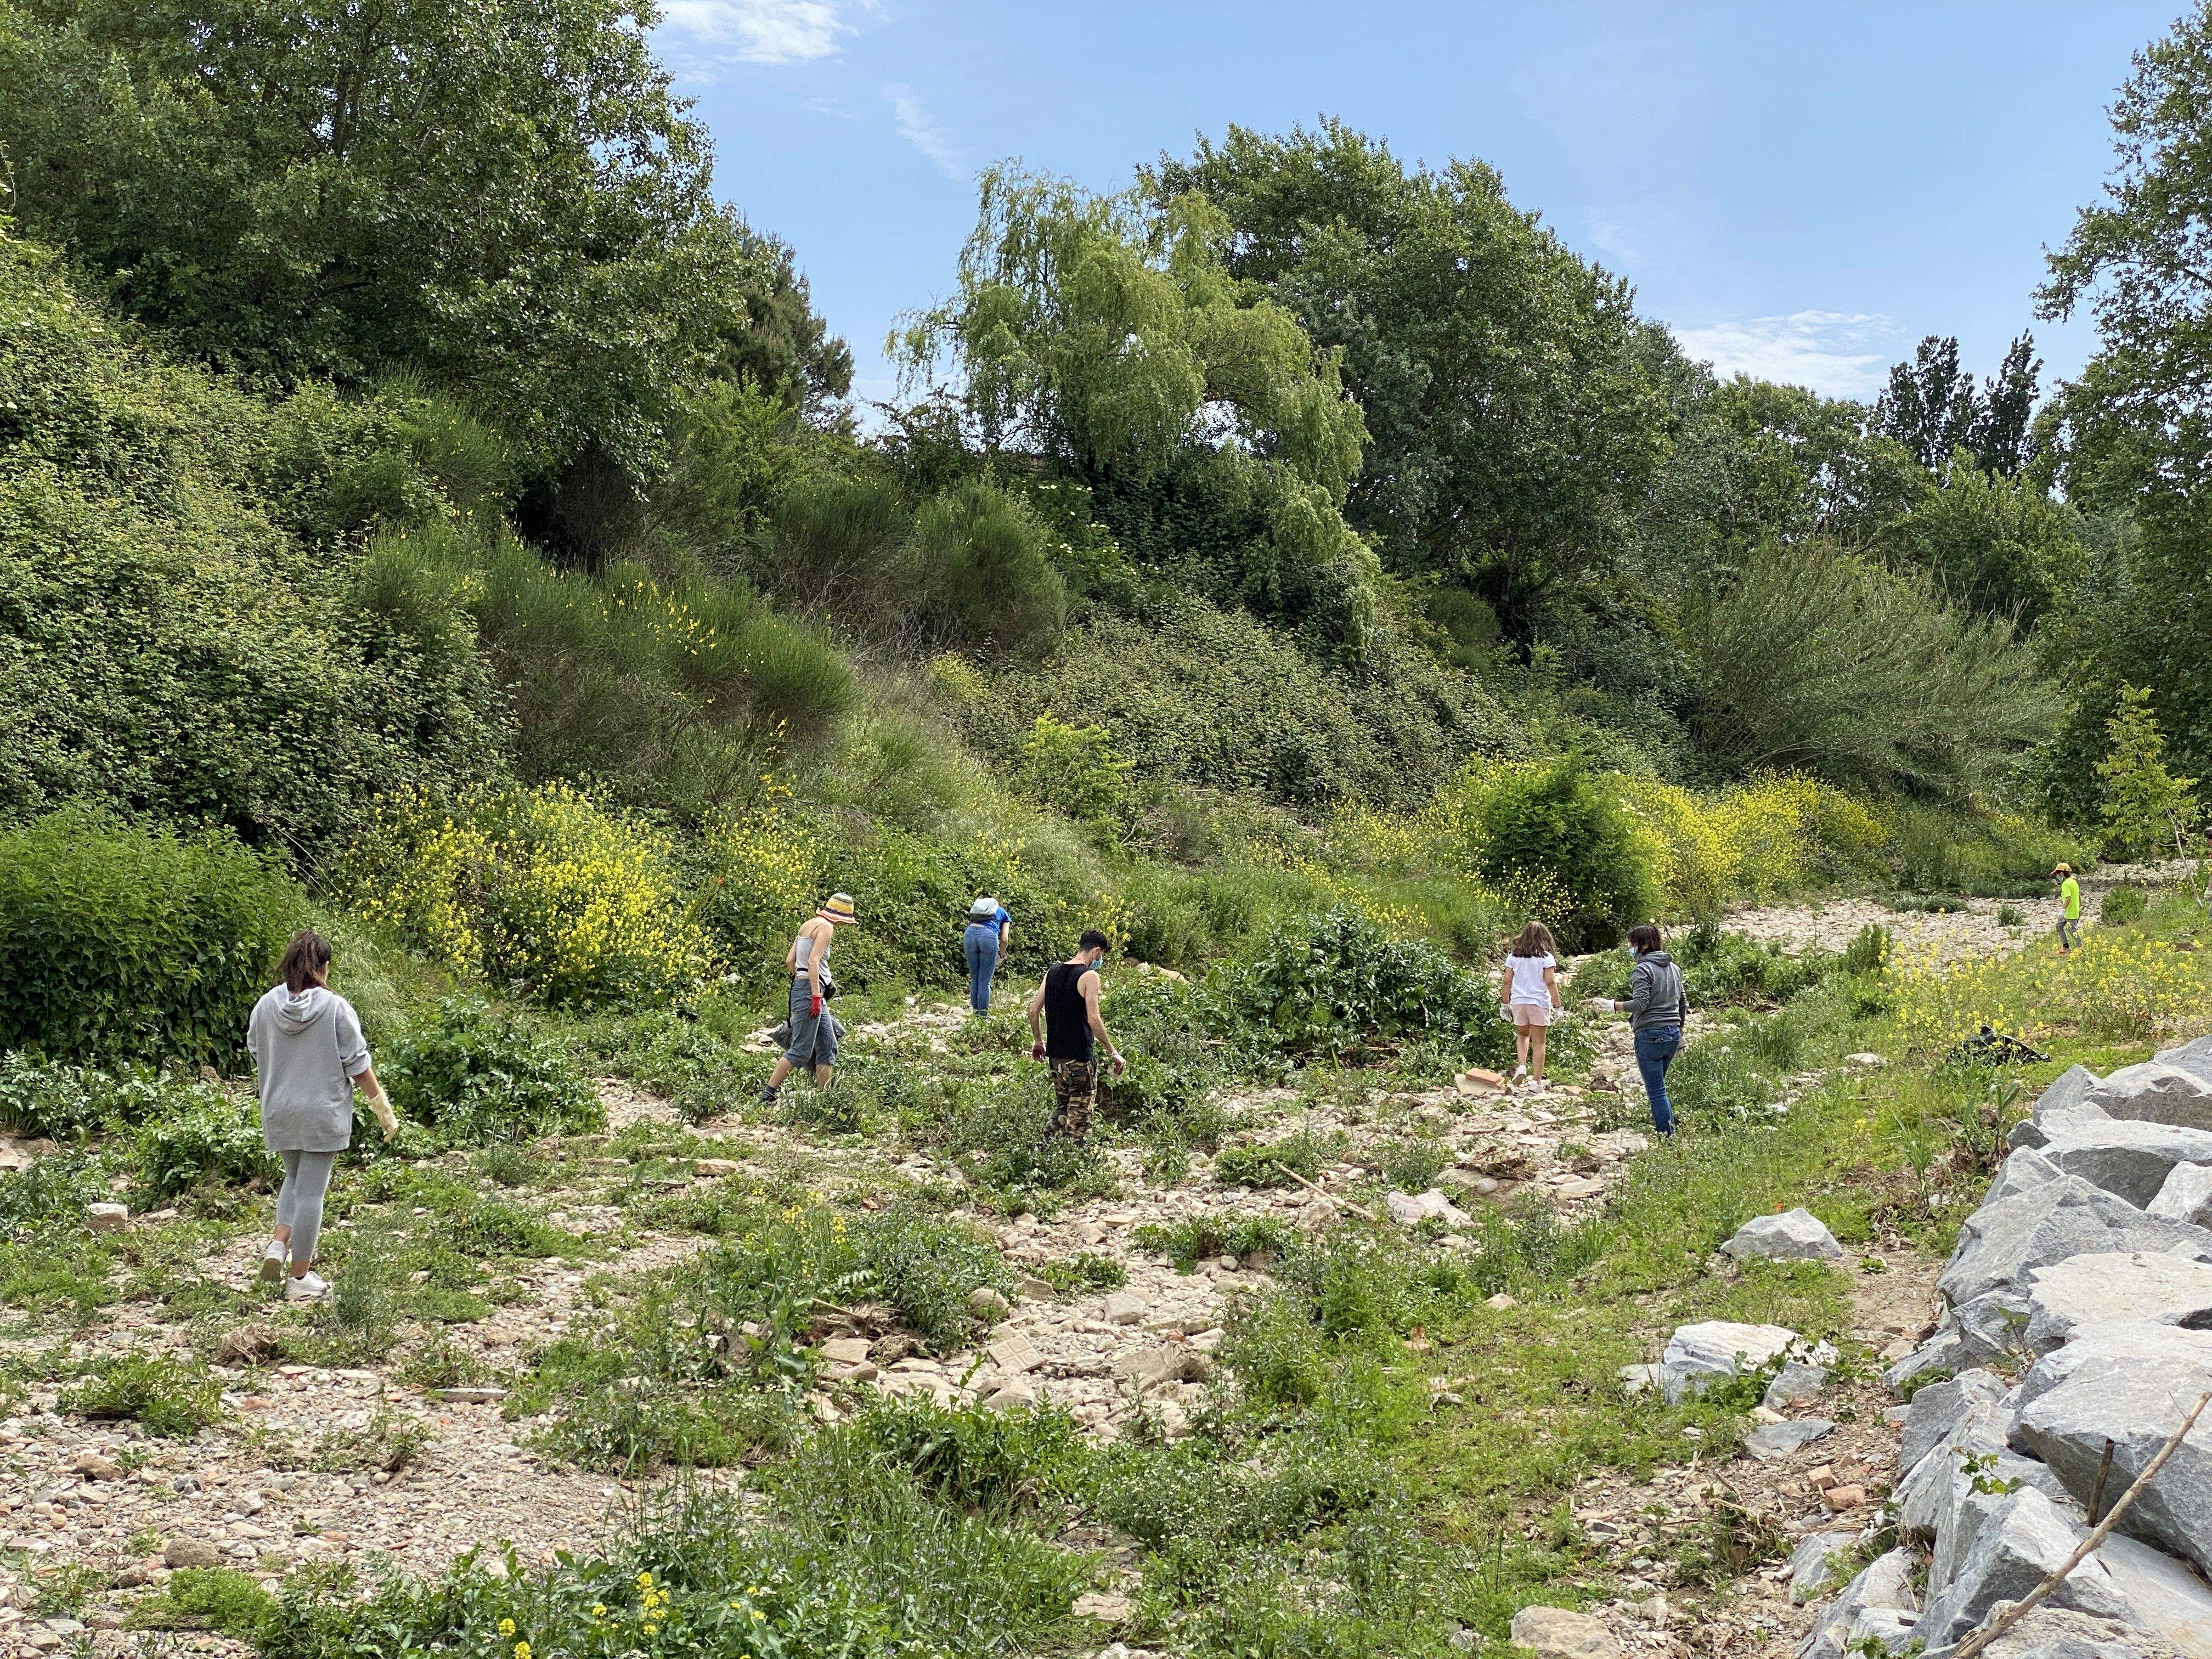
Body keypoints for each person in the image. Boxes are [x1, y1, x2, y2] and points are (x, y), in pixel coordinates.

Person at [247, 929, 398, 1302]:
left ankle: (278, 1245)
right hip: (321, 1111)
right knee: (312, 1192)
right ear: (323, 967)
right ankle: (299, 1278)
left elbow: (256, 1050)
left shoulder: (265, 1006)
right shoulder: (335, 1007)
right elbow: (358, 1065)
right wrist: (382, 1108)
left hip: (279, 1108)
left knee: (294, 1179)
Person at [1028, 929, 1127, 1143]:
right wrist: (1114, 1052)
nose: (1101, 961)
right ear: (1097, 951)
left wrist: (1038, 1042)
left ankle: (1042, 1150)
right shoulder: (1090, 976)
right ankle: (1074, 1163)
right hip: (1080, 1058)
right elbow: (1094, 1019)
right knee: (1080, 1116)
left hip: (1056, 1057)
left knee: (1064, 1108)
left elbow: (1033, 1010)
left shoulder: (1052, 972)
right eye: (1102, 956)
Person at [759, 894, 859, 1105]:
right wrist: (814, 994)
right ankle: (767, 1095)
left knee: (828, 1045)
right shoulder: (826, 928)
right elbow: (813, 961)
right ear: (842, 916)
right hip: (812, 992)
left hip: (806, 988)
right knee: (801, 1049)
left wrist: (804, 984)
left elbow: (790, 961)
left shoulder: (808, 925)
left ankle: (826, 1099)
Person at [1603, 923, 1688, 1137]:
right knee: (1660, 1087)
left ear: (1642, 946)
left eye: (1632, 944)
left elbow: (1640, 1003)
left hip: (1650, 1034)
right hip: (1672, 1034)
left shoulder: (1643, 969)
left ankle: (1667, 1135)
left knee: (1657, 1092)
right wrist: (1680, 1028)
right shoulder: (1674, 968)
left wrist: (1613, 1006)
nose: (1630, 948)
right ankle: (1668, 1129)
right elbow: (1683, 1001)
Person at [1497, 921, 1562, 1091]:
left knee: (1523, 1035)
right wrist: (1558, 1006)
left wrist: (1505, 1003)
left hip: (1519, 1002)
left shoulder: (1513, 956)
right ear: (1545, 938)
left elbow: (1507, 981)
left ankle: (1522, 1066)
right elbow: (1550, 982)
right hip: (1538, 1003)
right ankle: (1536, 1082)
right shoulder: (1546, 958)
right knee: (1539, 1043)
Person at [963, 895, 1012, 1016]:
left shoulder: (978, 913)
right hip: (988, 937)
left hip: (969, 934)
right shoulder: (1002, 912)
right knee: (985, 981)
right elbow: (1005, 939)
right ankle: (983, 1017)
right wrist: (1002, 954)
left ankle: (976, 1015)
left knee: (975, 978)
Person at [2053, 863, 2082, 952]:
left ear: (2062, 874)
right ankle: (2066, 947)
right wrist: (2080, 906)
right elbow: (2078, 895)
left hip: (2070, 912)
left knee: (2073, 931)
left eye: (2058, 874)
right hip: (2074, 910)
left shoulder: (2065, 884)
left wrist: (2063, 910)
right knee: (2059, 926)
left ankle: (2080, 948)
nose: (2057, 876)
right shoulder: (2074, 881)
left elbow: (2068, 898)